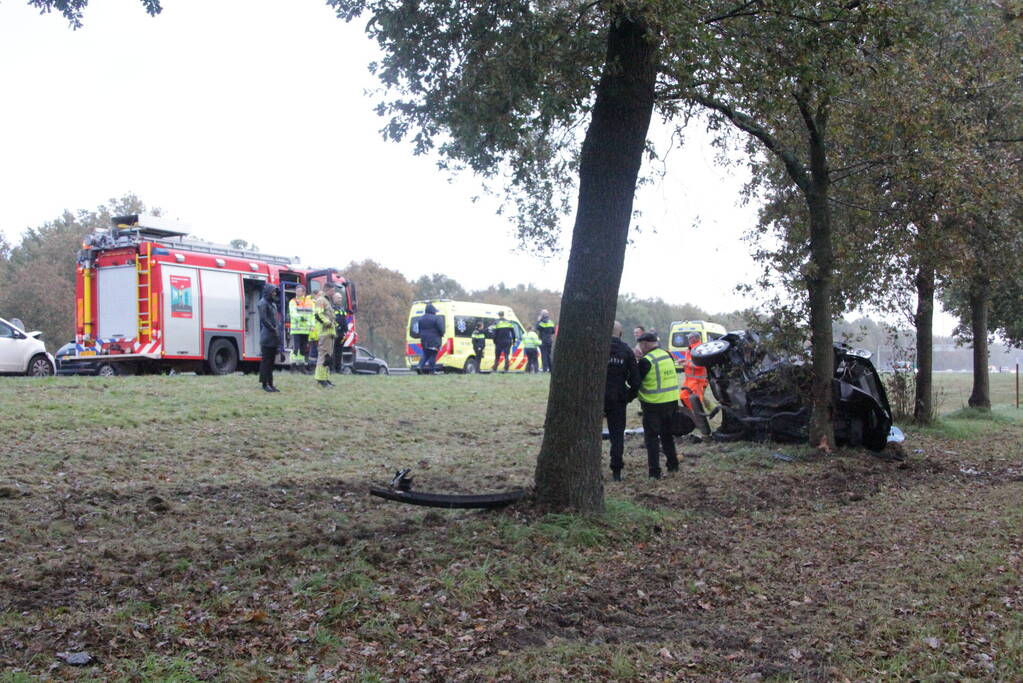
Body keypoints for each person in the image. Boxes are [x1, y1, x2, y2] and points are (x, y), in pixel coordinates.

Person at [636, 332, 681, 478]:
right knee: (667, 436)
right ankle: (673, 465)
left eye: (640, 345)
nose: (640, 348)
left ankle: (654, 472)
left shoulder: (646, 361)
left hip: (653, 405)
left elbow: (636, 381)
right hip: (671, 402)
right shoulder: (667, 355)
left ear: (645, 344)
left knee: (652, 439)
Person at [605, 321, 641, 481]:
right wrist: (627, 397)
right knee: (617, 435)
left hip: (595, 398)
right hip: (618, 398)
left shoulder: (595, 348)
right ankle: (616, 471)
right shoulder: (626, 351)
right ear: (621, 333)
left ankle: (588, 466)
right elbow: (636, 381)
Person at [680, 331, 712, 437]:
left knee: (695, 402)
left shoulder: (699, 349)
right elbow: (690, 361)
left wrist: (686, 363)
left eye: (690, 338)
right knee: (684, 397)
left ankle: (701, 424)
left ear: (695, 338)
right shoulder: (691, 348)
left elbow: (699, 365)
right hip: (690, 380)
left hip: (698, 381)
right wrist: (683, 361)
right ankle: (695, 418)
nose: (688, 339)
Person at [257, 282, 281, 393]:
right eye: (273, 291)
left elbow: (274, 318)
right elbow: (264, 319)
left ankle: (270, 383)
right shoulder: (263, 303)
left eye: (275, 291)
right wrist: (273, 329)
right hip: (267, 336)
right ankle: (265, 383)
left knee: (271, 362)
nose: (275, 293)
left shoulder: (273, 304)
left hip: (273, 335)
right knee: (266, 361)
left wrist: (276, 330)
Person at [313, 284, 337, 388]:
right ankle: (320, 379)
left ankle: (325, 378)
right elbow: (318, 314)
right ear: (327, 290)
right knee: (323, 356)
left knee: (328, 357)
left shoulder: (327, 301)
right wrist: (328, 323)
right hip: (324, 332)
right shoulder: (321, 300)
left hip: (330, 332)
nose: (333, 293)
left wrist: (334, 325)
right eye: (332, 291)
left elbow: (330, 316)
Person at [287, 285, 314, 374]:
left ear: (303, 292)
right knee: (296, 348)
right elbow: (293, 313)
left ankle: (301, 367)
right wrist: (300, 318)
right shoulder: (293, 301)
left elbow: (312, 315)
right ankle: (293, 366)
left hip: (306, 329)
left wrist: (312, 325)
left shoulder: (310, 302)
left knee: (303, 349)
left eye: (299, 291)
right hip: (297, 329)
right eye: (296, 291)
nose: (297, 292)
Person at [416, 302, 445, 375]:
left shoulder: (421, 318)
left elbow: (419, 330)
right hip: (434, 340)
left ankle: (419, 366)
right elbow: (441, 329)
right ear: (433, 311)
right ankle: (432, 371)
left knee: (426, 354)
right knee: (433, 354)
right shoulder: (437, 318)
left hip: (424, 340)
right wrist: (442, 334)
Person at [331, 292, 349, 373]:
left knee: (339, 351)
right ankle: (332, 368)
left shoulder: (342, 308)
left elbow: (344, 320)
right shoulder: (331, 308)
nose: (340, 299)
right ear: (334, 298)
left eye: (341, 298)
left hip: (342, 333)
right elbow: (331, 319)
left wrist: (346, 330)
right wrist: (336, 327)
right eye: (338, 298)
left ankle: (338, 369)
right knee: (333, 351)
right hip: (335, 332)